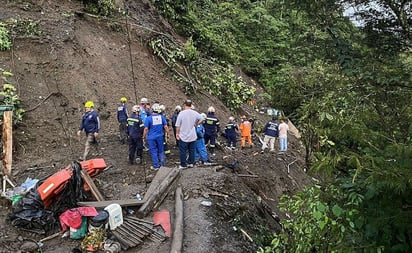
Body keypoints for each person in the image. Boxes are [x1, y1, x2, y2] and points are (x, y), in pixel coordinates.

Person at [175, 100, 203, 169]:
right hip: (192, 136)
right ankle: (191, 163)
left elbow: (177, 125)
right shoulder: (195, 113)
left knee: (183, 151)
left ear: (184, 105)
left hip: (183, 135)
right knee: (192, 150)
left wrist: (177, 133)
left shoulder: (181, 113)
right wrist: (196, 124)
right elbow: (202, 119)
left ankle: (183, 165)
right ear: (191, 105)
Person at [143, 103, 169, 170]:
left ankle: (156, 166)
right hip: (160, 136)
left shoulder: (148, 118)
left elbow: (146, 129)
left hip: (151, 137)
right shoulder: (162, 117)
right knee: (161, 150)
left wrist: (144, 137)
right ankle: (163, 164)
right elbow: (166, 127)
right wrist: (167, 134)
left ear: (152, 110)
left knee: (153, 151)